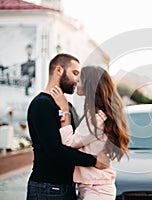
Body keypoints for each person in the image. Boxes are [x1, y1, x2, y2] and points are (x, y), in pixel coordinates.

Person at [26, 54, 110, 200]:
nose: (78, 79)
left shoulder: (67, 107)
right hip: (47, 187)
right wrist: (95, 161)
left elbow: (75, 142)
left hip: (67, 186)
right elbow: (55, 150)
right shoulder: (42, 104)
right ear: (59, 70)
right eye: (75, 73)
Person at [49, 66, 130, 199]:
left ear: (89, 86)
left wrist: (64, 109)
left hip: (96, 190)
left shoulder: (96, 118)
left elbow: (69, 143)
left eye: (79, 80)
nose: (76, 82)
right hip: (94, 187)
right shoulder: (96, 115)